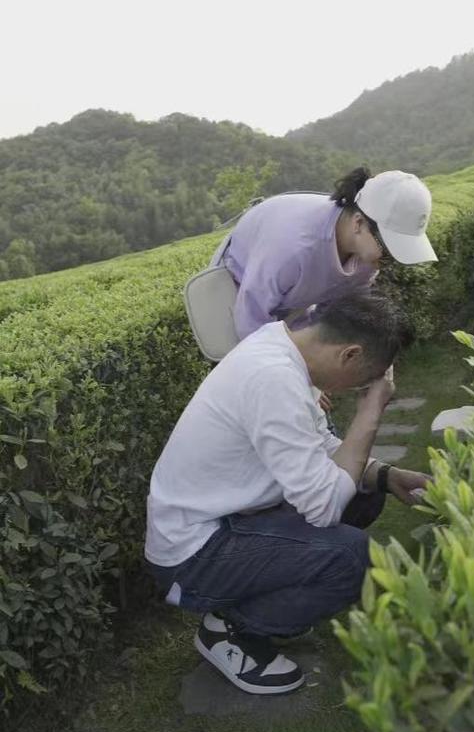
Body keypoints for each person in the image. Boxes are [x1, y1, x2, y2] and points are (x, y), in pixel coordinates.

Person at [145, 293, 429, 695]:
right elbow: (326, 508)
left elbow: (320, 445)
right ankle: (231, 631)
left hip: (230, 517)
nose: (360, 390)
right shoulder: (272, 377)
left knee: (366, 492)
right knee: (350, 556)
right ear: (349, 354)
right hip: (193, 551)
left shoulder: (281, 346)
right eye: (366, 381)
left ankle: (260, 599)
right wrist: (370, 412)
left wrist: (384, 474)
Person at [210, 166, 438, 342]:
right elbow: (250, 322)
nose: (389, 261)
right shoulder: (292, 248)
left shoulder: (367, 256)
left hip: (292, 300)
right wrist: (301, 368)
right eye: (389, 250)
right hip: (236, 286)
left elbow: (344, 307)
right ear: (359, 223)